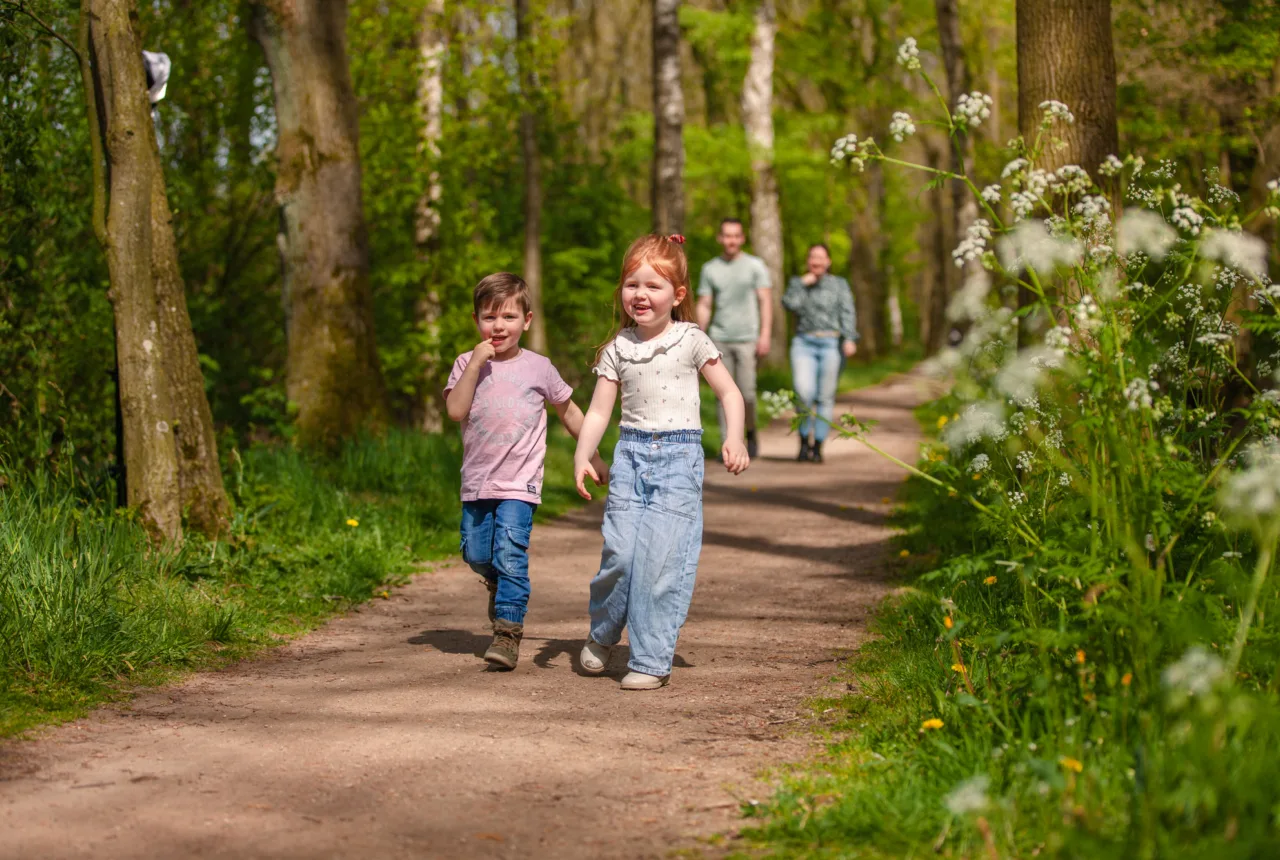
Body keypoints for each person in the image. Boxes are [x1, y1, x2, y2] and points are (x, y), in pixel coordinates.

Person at [572, 234, 750, 691]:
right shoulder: (618, 348)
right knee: (619, 554)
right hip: (629, 457)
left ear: (678, 294)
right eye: (633, 284)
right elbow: (597, 411)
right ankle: (604, 632)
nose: (641, 295)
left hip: (678, 459)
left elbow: (729, 393)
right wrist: (581, 454)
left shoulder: (691, 339)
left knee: (660, 561)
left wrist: (734, 437)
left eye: (654, 286)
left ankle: (650, 658)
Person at [444, 273, 607, 670]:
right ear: (476, 321)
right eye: (489, 317)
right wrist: (477, 362)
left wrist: (593, 455)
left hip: (521, 481)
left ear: (527, 321)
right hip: (478, 481)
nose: (499, 326)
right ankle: (497, 584)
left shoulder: (540, 368)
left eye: (509, 317)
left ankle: (507, 633)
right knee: (477, 553)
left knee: (510, 553)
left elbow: (568, 411)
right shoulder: (467, 363)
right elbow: (455, 410)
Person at [695, 218, 771, 459]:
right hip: (719, 338)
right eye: (727, 235)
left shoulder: (755, 266)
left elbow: (765, 301)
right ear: (720, 238)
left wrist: (765, 334)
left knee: (747, 393)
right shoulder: (710, 269)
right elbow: (705, 304)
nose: (731, 240)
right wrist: (698, 336)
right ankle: (727, 442)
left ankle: (750, 431)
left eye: (735, 236)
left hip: (748, 338)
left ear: (742, 239)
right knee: (722, 393)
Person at [782, 243, 857, 463]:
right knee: (804, 393)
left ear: (828, 262)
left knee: (825, 396)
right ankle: (804, 440)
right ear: (808, 261)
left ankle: (819, 446)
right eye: (813, 257)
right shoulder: (798, 283)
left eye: (821, 257)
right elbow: (788, 304)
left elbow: (847, 311)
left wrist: (850, 338)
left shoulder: (839, 284)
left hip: (831, 343)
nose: (817, 261)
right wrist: (803, 285)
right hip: (804, 343)